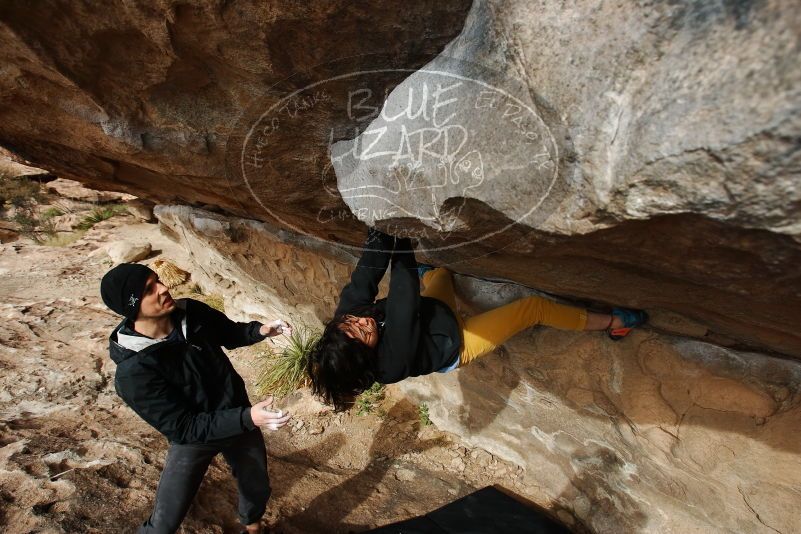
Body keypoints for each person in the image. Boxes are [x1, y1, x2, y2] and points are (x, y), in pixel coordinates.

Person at [307, 228, 647, 410]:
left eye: (352, 323)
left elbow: (366, 276)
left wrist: (380, 229)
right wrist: (403, 236)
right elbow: (403, 300)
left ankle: (432, 274)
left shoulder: (344, 326)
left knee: (441, 276)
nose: (361, 323)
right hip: (454, 343)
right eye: (361, 334)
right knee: (532, 308)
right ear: (367, 355)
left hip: (432, 312)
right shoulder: (390, 364)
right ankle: (615, 323)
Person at [100, 263, 291, 534]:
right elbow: (185, 427)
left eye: (158, 281)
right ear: (131, 306)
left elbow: (229, 332)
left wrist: (260, 331)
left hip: (237, 418)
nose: (164, 289)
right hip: (194, 438)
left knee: (256, 483)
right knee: (165, 521)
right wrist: (249, 417)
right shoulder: (133, 372)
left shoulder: (192, 311)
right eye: (149, 289)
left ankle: (253, 527)